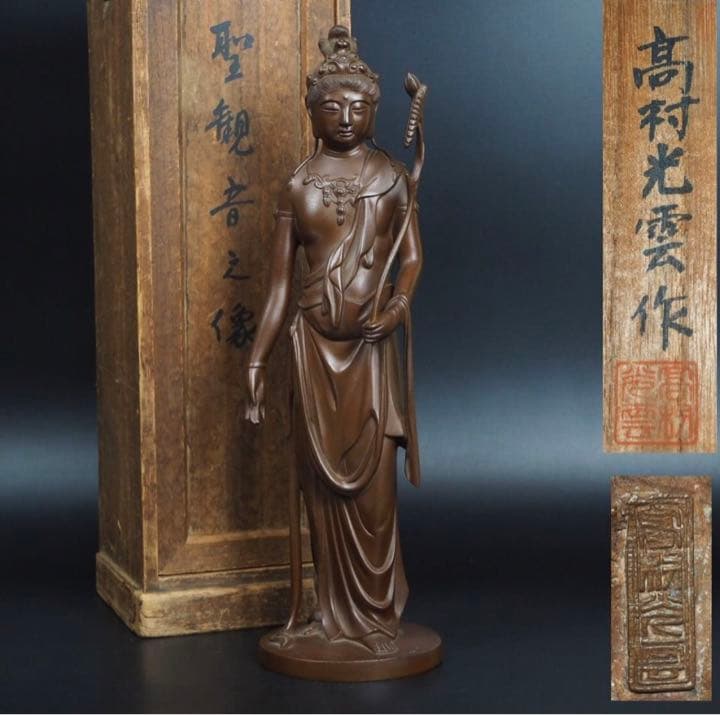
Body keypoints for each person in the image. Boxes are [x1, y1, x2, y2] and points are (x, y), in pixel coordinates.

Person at [245, 25, 422, 657]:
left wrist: (396, 307)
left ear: (373, 110)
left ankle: (374, 615)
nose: (345, 118)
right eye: (331, 107)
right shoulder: (298, 186)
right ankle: (327, 615)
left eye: (357, 107)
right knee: (318, 491)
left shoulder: (392, 177)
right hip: (313, 352)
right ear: (312, 111)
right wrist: (257, 359)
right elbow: (277, 287)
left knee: (374, 492)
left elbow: (410, 259)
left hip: (369, 353)